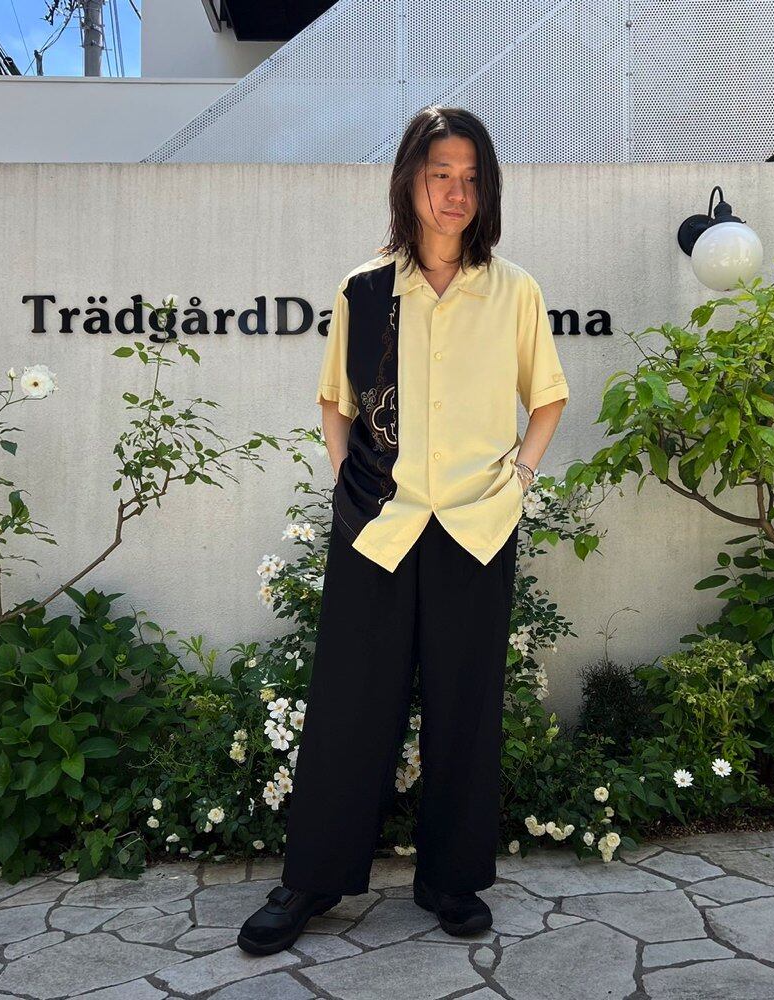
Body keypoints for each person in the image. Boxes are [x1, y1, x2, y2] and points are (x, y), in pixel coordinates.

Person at [238, 106, 569, 956]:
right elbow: (335, 401)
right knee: (349, 704)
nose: (456, 193)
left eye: (471, 178)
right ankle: (312, 879)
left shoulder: (516, 290)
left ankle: (449, 879)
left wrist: (520, 480)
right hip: (378, 525)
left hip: (476, 526)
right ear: (409, 182)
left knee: (466, 706)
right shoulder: (365, 289)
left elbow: (547, 398)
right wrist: (350, 488)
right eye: (439, 175)